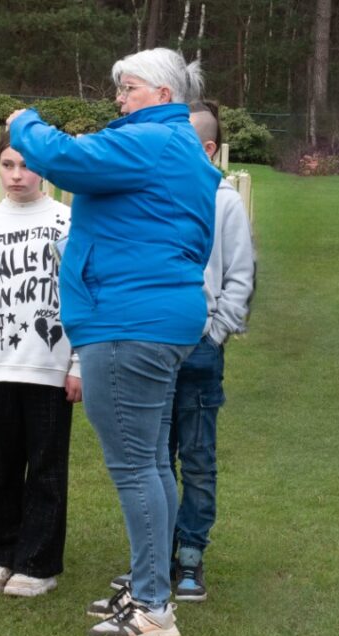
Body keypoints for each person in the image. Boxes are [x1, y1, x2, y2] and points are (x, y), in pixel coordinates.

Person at [7, 47, 221, 636]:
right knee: (151, 461)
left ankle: (153, 606)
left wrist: (23, 120)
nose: (119, 100)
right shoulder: (173, 145)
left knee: (134, 466)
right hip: (150, 319)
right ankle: (149, 584)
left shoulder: (151, 140)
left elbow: (62, 157)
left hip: (128, 322)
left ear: (160, 92)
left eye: (126, 88)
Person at [106, 101, 256, 604]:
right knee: (150, 457)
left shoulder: (222, 200)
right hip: (150, 338)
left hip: (196, 347)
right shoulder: (153, 191)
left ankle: (190, 556)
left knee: (196, 457)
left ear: (208, 149)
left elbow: (238, 275)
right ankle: (151, 561)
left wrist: (215, 334)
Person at [0, 134, 81, 598]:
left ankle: (37, 563)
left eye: (26, 165)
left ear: (43, 169)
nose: (17, 175)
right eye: (8, 165)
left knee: (45, 468)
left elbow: (83, 295)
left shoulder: (67, 222)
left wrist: (78, 362)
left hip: (48, 368)